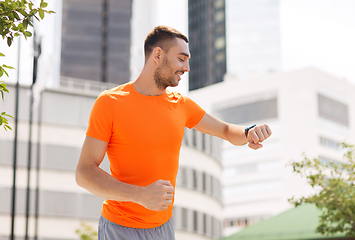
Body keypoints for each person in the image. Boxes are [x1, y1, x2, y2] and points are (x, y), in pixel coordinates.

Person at [75, 25, 272, 240]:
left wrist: (248, 132)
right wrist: (140, 195)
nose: (187, 68)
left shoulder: (181, 105)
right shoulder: (110, 103)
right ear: (158, 55)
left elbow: (225, 130)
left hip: (164, 228)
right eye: (181, 58)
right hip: (120, 228)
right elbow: (84, 173)